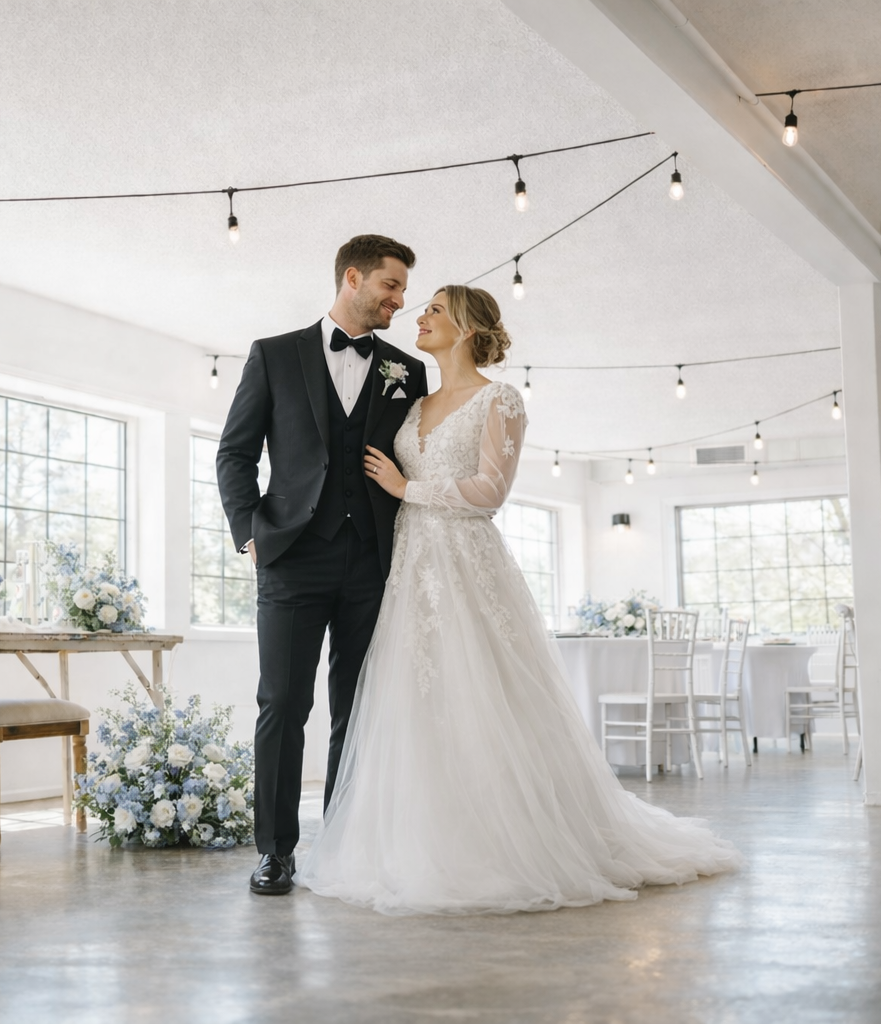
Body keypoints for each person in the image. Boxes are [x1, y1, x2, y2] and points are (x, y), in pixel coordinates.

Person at [296, 284, 739, 915]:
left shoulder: (500, 399)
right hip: (409, 570)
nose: (418, 316)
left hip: (467, 567)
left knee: (482, 695)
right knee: (416, 702)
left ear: (469, 328)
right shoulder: (413, 401)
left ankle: (505, 843)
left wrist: (407, 487)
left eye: (434, 311)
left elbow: (489, 491)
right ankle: (413, 843)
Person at [217, 234, 429, 896]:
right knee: (282, 703)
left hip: (373, 561)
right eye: (391, 286)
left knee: (357, 708)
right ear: (353, 278)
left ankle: (344, 843)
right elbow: (234, 454)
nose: (400, 299)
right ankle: (276, 850)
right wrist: (249, 532)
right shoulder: (275, 355)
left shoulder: (406, 371)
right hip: (291, 561)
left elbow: (416, 461)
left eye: (403, 290)